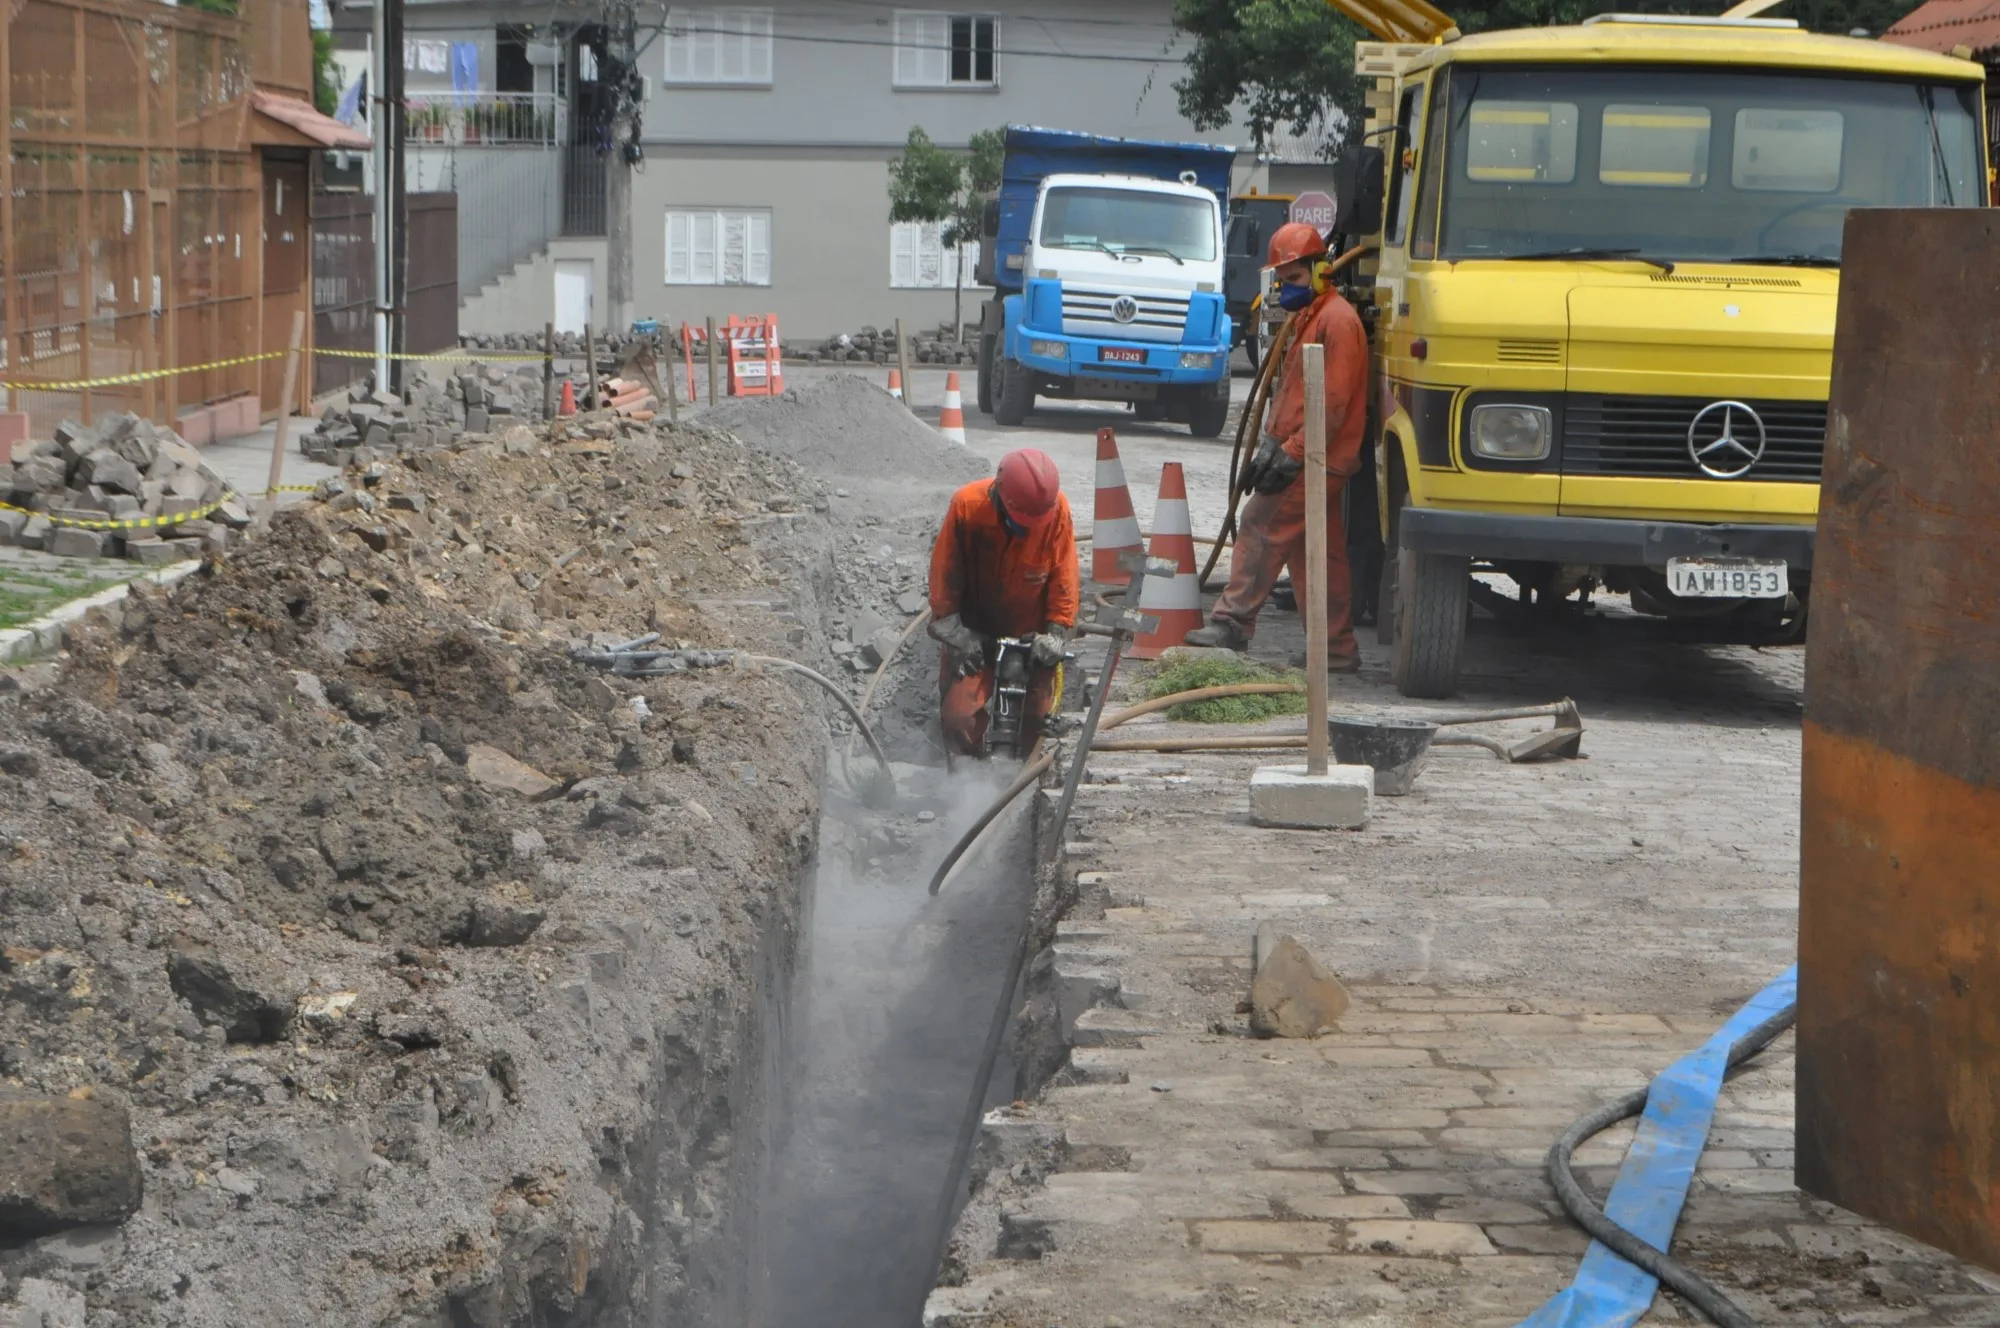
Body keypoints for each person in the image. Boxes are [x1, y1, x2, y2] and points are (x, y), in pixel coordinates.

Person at [1186, 221, 1370, 669]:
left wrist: (1290, 452)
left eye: (1295, 278)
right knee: (1316, 556)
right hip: (1307, 451)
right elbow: (1293, 393)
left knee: (1259, 525)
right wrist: (1271, 444)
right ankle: (1336, 649)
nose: (1287, 288)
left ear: (1321, 269)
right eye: (1282, 280)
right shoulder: (1311, 316)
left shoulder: (1338, 322)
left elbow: (1334, 402)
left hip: (1316, 456)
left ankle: (1232, 623)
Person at [928, 448, 1080, 757]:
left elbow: (1064, 578)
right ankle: (965, 779)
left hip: (1031, 634)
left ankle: (1024, 782)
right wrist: (957, 635)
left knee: (1037, 720)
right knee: (959, 718)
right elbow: (945, 575)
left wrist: (1056, 634)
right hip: (974, 630)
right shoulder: (967, 507)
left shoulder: (1057, 510)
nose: (1029, 529)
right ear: (999, 492)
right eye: (1022, 520)